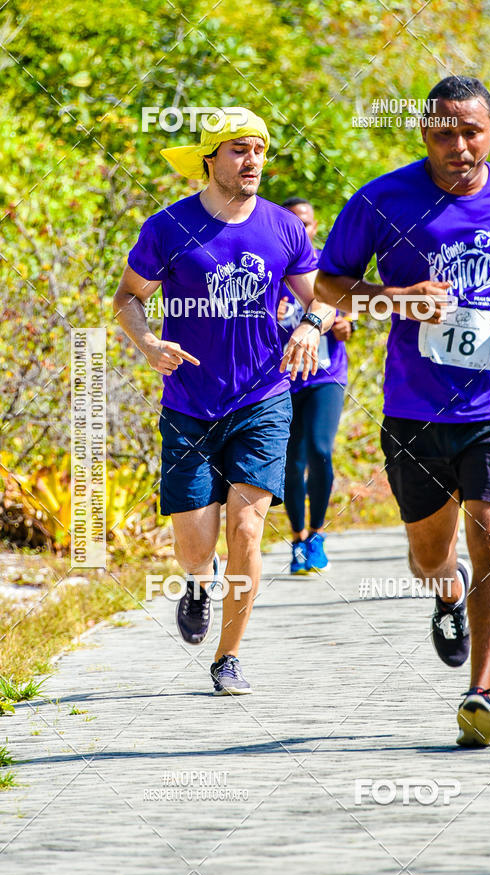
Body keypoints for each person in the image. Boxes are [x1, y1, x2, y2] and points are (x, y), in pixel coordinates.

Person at [315, 76, 490, 747]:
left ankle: (480, 694)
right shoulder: (382, 198)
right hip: (416, 410)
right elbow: (330, 284)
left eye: (470, 132)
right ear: (423, 133)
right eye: (442, 133)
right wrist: (394, 297)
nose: (457, 145)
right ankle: (446, 593)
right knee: (432, 557)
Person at [113, 108, 334, 695]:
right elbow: (128, 299)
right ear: (210, 159)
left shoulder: (285, 226)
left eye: (259, 150)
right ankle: (195, 583)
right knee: (195, 542)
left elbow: (325, 295)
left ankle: (228, 658)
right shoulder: (167, 227)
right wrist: (148, 340)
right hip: (189, 402)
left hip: (263, 396)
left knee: (247, 528)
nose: (253, 160)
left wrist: (311, 325)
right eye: (239, 150)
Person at [277, 197, 353, 574]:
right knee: (293, 460)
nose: (301, 229)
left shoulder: (326, 266)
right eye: (293, 222)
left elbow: (345, 321)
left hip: (326, 373)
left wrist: (342, 326)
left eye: (306, 223)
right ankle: (297, 539)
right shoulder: (269, 264)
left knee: (321, 450)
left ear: (314, 227)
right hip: (283, 378)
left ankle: (318, 535)